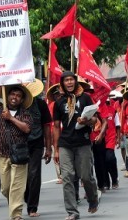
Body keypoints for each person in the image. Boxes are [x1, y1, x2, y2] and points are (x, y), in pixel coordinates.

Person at [53, 71, 99, 220]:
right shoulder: (59, 102)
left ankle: (93, 199)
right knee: (67, 177)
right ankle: (72, 212)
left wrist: (86, 121)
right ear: (62, 83)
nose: (69, 83)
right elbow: (55, 126)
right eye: (66, 80)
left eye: (71, 80)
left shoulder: (85, 98)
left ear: (76, 82)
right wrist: (55, 149)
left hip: (83, 142)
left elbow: (95, 120)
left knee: (86, 176)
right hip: (65, 144)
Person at [0, 85, 33, 220]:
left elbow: (27, 129)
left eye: (18, 96)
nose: (15, 97)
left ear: (22, 99)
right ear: (7, 95)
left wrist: (11, 118)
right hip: (2, 153)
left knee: (16, 186)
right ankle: (15, 201)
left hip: (19, 154)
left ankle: (16, 215)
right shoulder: (0, 108)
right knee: (6, 188)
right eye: (12, 94)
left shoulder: (25, 113)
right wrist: (0, 80)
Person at [23, 79, 53, 217]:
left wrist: (48, 148)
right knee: (21, 177)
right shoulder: (16, 104)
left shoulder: (40, 104)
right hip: (19, 145)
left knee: (34, 174)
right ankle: (26, 197)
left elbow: (47, 127)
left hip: (36, 143)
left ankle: (32, 207)